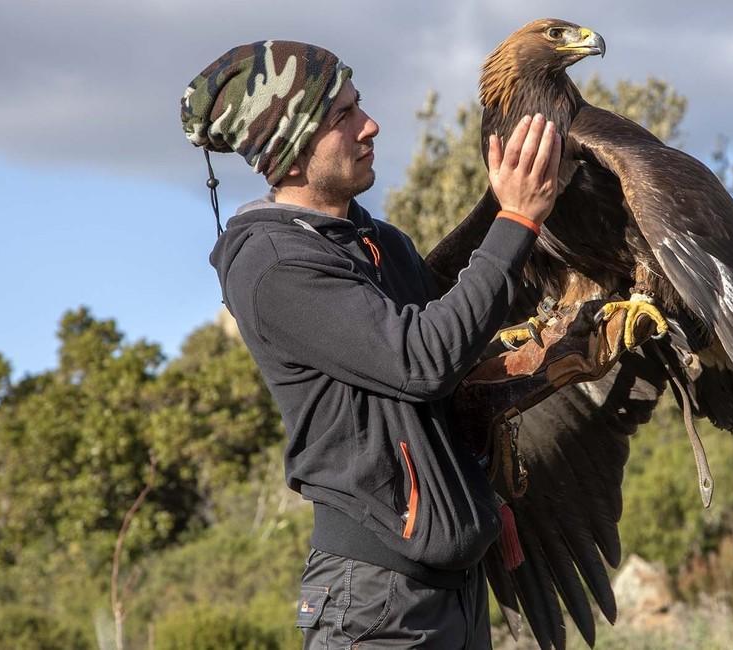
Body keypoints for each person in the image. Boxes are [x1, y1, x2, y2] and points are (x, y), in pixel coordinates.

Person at [181, 40, 561, 648]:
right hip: (374, 607)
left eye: (360, 104)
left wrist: (477, 493)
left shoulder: (382, 242)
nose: (370, 124)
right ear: (290, 150)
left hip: (455, 593)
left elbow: (451, 372)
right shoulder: (276, 265)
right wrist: (515, 221)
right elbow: (422, 359)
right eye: (344, 115)